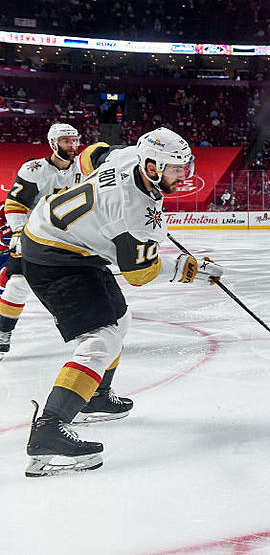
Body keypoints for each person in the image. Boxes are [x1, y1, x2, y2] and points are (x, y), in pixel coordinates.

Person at [19, 127, 223, 476]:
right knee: (101, 338)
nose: (185, 175)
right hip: (54, 255)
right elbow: (139, 274)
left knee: (119, 319)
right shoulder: (133, 213)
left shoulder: (128, 156)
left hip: (66, 241)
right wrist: (188, 268)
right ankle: (49, 430)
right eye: (177, 169)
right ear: (154, 167)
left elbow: (91, 154)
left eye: (185, 166)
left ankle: (96, 396)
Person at [1, 124, 85, 357]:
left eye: (74, 140)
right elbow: (15, 204)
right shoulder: (34, 168)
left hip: (71, 238)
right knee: (17, 284)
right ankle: (2, 333)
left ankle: (86, 330)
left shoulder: (84, 168)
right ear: (52, 144)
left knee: (79, 283)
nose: (72, 145)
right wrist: (18, 231)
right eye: (66, 141)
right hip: (35, 235)